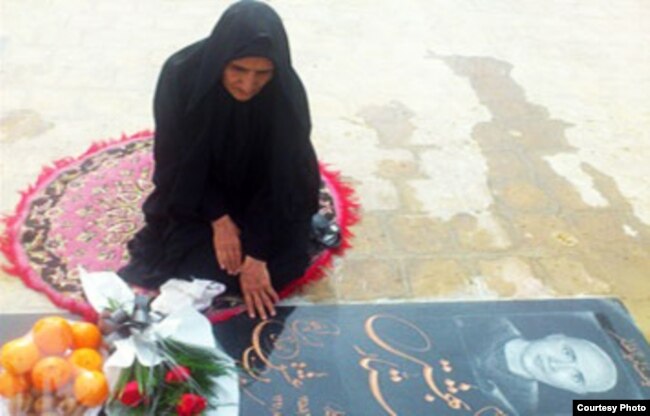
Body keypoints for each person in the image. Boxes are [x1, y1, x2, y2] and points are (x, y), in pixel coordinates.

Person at [118, 0, 320, 321]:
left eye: (261, 73)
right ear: (220, 61)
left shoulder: (285, 91)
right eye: (238, 69)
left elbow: (285, 174)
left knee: (276, 267)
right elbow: (175, 156)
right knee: (180, 253)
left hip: (262, 190)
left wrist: (257, 253)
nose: (248, 84)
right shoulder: (180, 75)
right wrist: (219, 218)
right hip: (197, 184)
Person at [456, 317, 618, 415]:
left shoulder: (517, 408)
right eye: (567, 353)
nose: (556, 365)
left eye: (576, 377)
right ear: (555, 336)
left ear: (573, 390)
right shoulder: (485, 319)